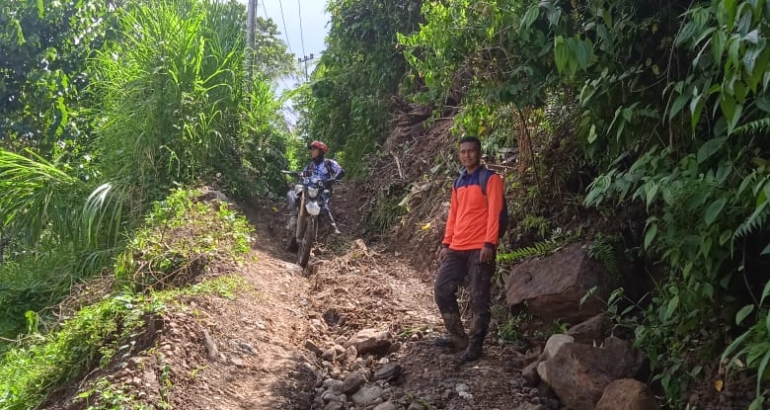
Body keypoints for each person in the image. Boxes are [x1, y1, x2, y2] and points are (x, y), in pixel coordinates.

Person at [434, 136, 504, 363]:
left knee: (478, 298)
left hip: (480, 248)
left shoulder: (491, 179)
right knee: (442, 289)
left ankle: (475, 346)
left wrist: (489, 244)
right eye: (463, 151)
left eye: (471, 151)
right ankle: (458, 337)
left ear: (479, 153)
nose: (467, 155)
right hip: (457, 246)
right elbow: (454, 216)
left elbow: (494, 213)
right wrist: (446, 243)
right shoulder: (458, 182)